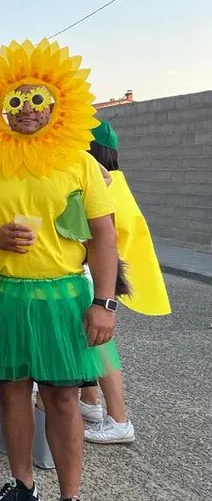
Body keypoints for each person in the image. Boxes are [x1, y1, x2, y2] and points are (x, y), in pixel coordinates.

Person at [0, 39, 119, 501]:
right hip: (6, 294)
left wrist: (105, 302)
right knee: (11, 394)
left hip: (62, 296)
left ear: (57, 103)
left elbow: (103, 234)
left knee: (63, 399)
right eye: (17, 99)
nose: (27, 108)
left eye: (37, 98)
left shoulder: (79, 161)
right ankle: (24, 486)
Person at [79, 120, 170, 445]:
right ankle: (89, 402)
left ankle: (119, 418)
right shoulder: (118, 180)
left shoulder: (100, 181)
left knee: (100, 346)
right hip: (101, 278)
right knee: (87, 342)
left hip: (93, 277)